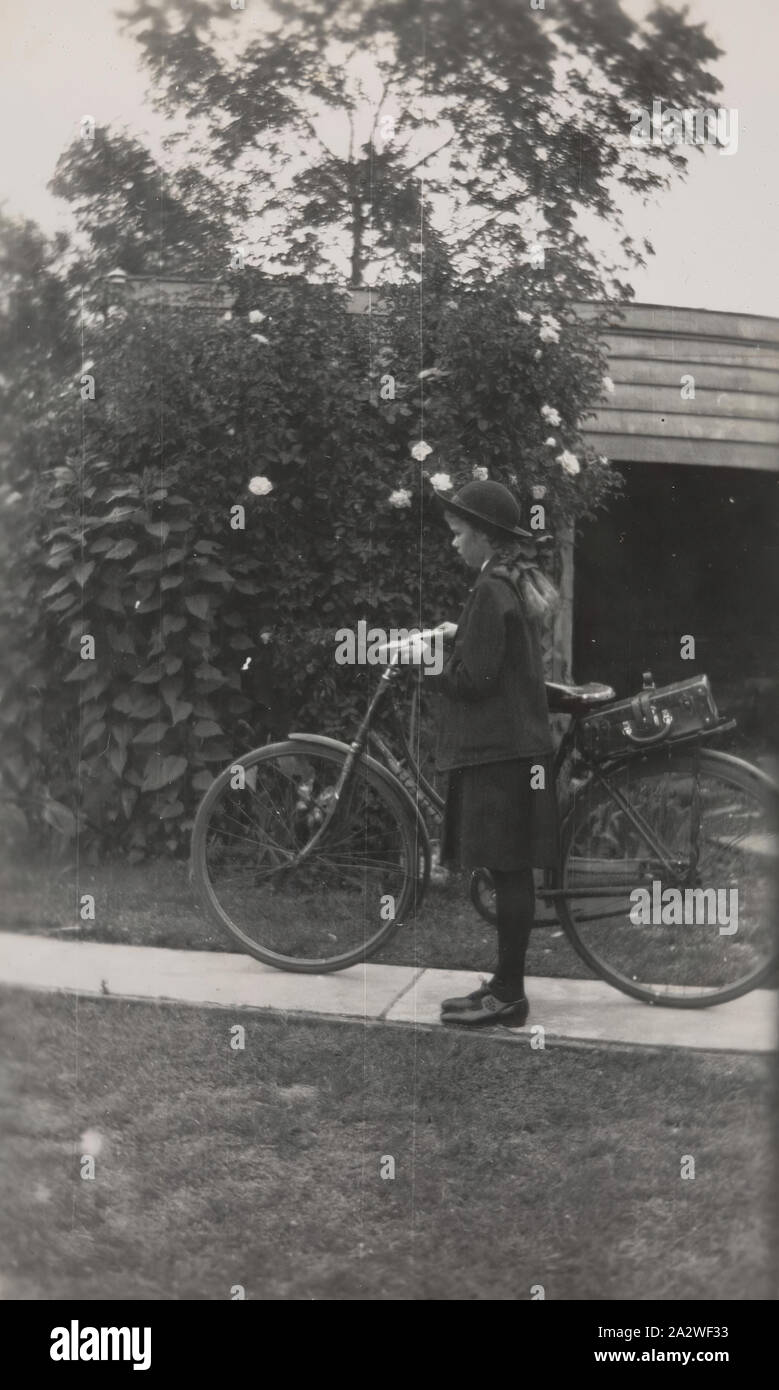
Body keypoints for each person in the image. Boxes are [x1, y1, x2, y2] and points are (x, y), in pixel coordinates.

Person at [428, 479, 560, 1027]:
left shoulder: (490, 589)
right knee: (511, 872)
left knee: (508, 872)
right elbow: (499, 651)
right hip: (521, 748)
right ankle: (505, 987)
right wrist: (460, 634)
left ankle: (508, 995)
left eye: (459, 534)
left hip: (501, 754)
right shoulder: (509, 581)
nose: (454, 544)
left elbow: (475, 679)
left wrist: (433, 661)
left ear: (483, 535)